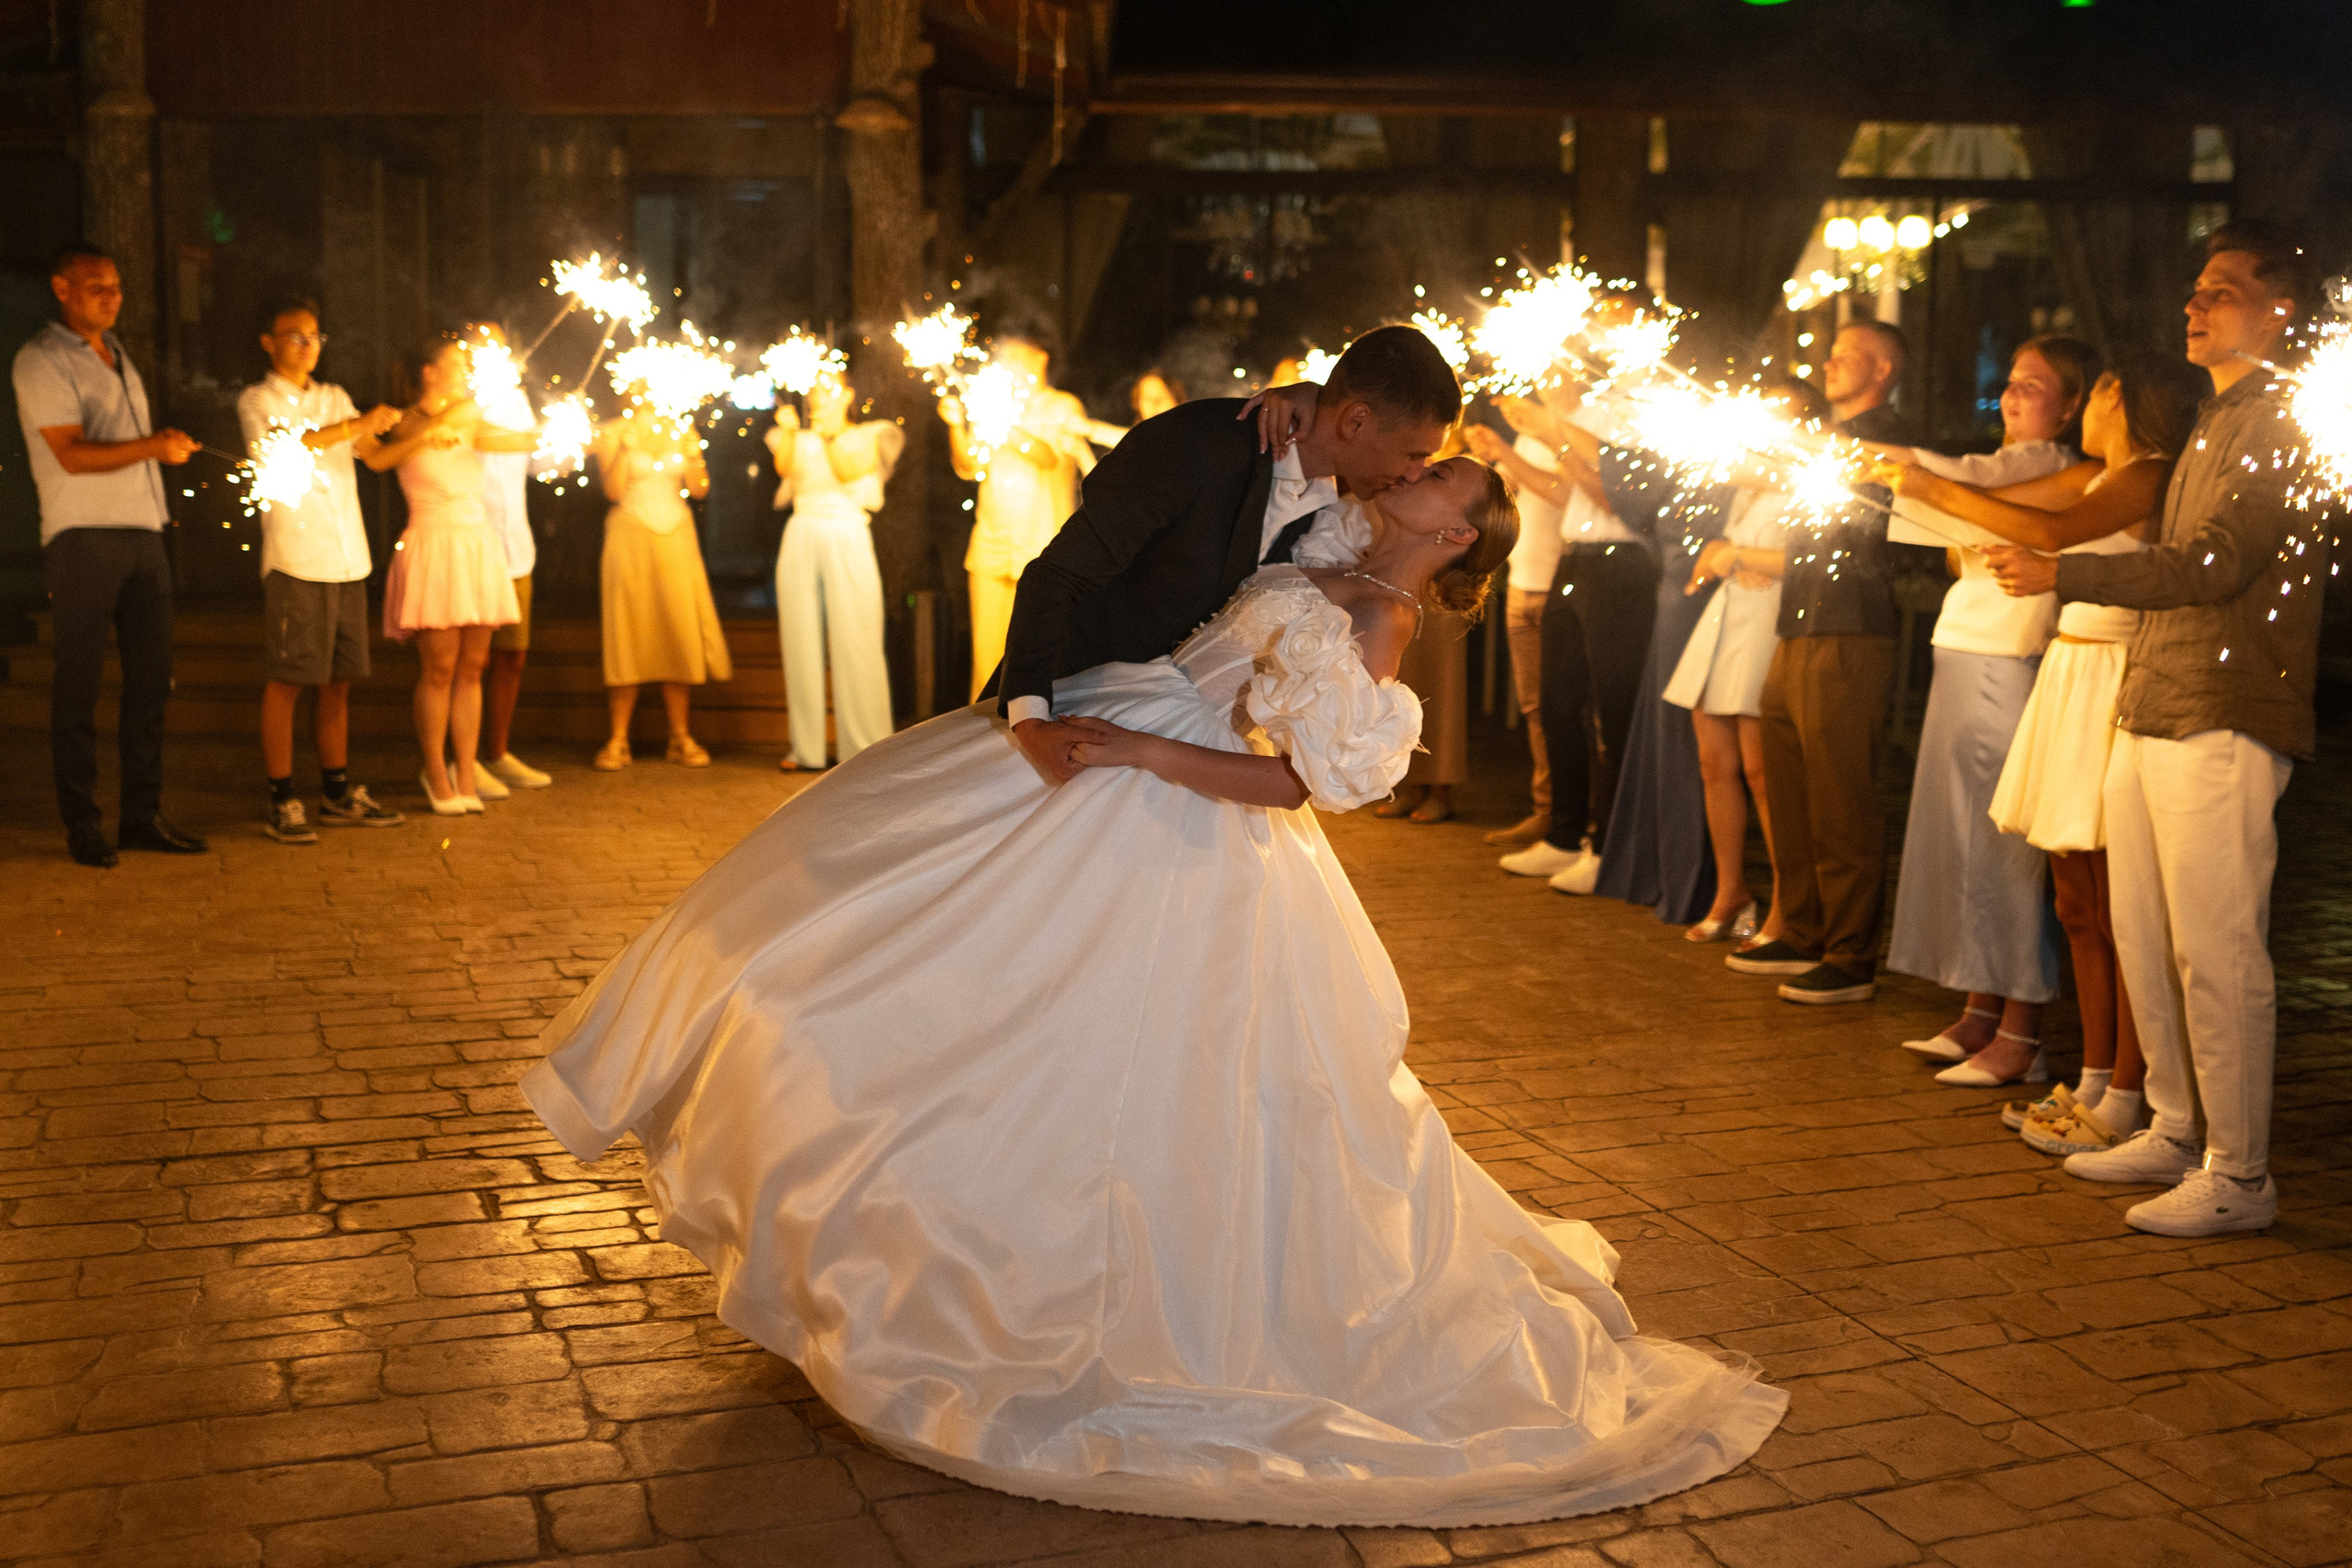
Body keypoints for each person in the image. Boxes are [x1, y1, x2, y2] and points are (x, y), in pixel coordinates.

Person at [521, 454, 1788, 1526]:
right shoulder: (1330, 538)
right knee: (887, 947)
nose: (1410, 472)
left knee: (1121, 1067)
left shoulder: (1382, 622)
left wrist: (1139, 746)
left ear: (1452, 534)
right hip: (1115, 731)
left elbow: (1300, 785)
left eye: (1437, 479)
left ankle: (1058, 1296)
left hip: (1172, 803)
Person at [1985, 221, 2327, 1238]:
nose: (2193, 304)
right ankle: (2175, 1126)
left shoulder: (2282, 423)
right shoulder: (2217, 419)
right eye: (2194, 288)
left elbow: (2215, 565)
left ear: (2279, 312)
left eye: (2220, 290)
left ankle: (2241, 1171)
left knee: (2216, 948)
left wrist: (2067, 572)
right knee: (2146, 930)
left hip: (2223, 709)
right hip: (2153, 700)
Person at [1885, 352, 2205, 1156]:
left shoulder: (2146, 473)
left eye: (2104, 388)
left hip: (2108, 672)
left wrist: (1931, 489)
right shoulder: (2105, 475)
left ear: (2133, 403)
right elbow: (2021, 525)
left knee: (2119, 900)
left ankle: (2131, 1088)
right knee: (2076, 901)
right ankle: (2098, 1074)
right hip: (2069, 665)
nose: (2095, 400)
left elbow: (2051, 533)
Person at [991, 323, 1460, 784]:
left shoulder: (1344, 510)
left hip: (1174, 759)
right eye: (1413, 455)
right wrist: (1031, 720)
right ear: (1355, 421)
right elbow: (1057, 576)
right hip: (1070, 714)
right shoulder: (1195, 445)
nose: (1416, 474)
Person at [1881, 336, 2098, 1080]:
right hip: (1960, 653)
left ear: (2070, 406)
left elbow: (1957, 488)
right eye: (2009, 381)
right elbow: (1957, 532)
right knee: (1961, 836)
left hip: (2009, 662)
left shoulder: (2060, 471)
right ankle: (1980, 1007)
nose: (2011, 395)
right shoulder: (2006, 472)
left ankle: (2022, 1031)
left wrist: (1901, 468)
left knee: (2004, 846)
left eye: (2034, 386)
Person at [1724, 320, 1916, 1004]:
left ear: (1884, 369)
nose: (1829, 364)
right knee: (1791, 780)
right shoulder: (1822, 444)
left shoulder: (1886, 443)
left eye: (1848, 356)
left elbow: (1867, 530)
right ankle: (1801, 924)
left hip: (1849, 626)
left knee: (1840, 792)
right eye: (1830, 354)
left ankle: (1850, 950)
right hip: (1799, 621)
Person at [14, 243, 204, 868]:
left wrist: (155, 470)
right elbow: (70, 453)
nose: (112, 295)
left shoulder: (117, 355)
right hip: (83, 536)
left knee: (150, 682)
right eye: (97, 285)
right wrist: (153, 446)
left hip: (143, 534)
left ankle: (141, 816)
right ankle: (82, 822)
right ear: (61, 288)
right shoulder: (42, 360)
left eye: (116, 285)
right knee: (80, 686)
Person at [1666, 378, 1833, 945]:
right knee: (1715, 762)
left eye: (1778, 415)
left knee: (1766, 772)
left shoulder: (1811, 478)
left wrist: (1734, 554)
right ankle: (1731, 888)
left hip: (1768, 621)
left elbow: (1806, 559)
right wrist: (1724, 557)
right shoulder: (1752, 478)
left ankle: (1789, 904)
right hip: (1728, 615)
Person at [1495, 336, 1663, 896]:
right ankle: (1564, 834)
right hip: (1574, 559)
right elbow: (1566, 492)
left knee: (1611, 710)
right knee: (1558, 701)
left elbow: (1617, 498)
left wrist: (1554, 432)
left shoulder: (1650, 412)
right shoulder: (1589, 412)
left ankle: (1608, 843)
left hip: (1623, 566)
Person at [236, 297, 405, 842]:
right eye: (296, 336)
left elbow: (373, 455)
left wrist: (424, 431)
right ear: (269, 341)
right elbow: (282, 450)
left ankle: (336, 792)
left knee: (338, 682)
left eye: (315, 337)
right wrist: (354, 424)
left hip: (347, 557)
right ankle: (282, 797)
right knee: (288, 680)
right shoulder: (258, 399)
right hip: (296, 558)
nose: (309, 346)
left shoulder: (333, 396)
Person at [365, 333, 528, 815]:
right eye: (457, 364)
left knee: (472, 667)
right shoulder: (399, 422)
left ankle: (465, 770)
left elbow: (518, 440)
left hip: (476, 543)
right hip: (433, 544)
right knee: (439, 668)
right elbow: (374, 458)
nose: (466, 372)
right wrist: (422, 436)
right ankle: (435, 772)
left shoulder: (472, 415)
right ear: (429, 372)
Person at [948, 321, 1102, 701]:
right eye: (1004, 356)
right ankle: (978, 738)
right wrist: (955, 424)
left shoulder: (1061, 406)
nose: (1008, 363)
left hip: (1039, 542)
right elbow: (968, 465)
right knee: (986, 653)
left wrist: (1005, 421)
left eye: (1015, 356)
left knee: (1028, 652)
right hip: (990, 538)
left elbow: (1048, 456)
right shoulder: (992, 405)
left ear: (1040, 358)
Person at [764, 370, 904, 773]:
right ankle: (804, 748)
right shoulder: (800, 437)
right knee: (800, 638)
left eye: (825, 392)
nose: (817, 401)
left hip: (847, 531)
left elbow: (847, 470)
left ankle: (863, 748)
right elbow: (784, 469)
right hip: (802, 530)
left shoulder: (869, 435)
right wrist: (791, 433)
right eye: (813, 394)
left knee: (857, 637)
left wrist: (826, 436)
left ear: (846, 395)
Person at [592, 395, 733, 770]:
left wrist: (696, 458)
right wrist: (623, 451)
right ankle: (618, 738)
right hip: (629, 535)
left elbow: (699, 489)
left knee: (677, 626)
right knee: (627, 630)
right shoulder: (613, 431)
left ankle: (679, 735)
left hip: (676, 535)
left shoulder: (681, 428)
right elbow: (612, 492)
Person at [1464, 397, 1566, 848]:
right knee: (1533, 708)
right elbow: (1516, 491)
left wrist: (1507, 454)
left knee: (1566, 711)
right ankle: (1546, 810)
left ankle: (1576, 818)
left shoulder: (1571, 434)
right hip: (1522, 583)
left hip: (1557, 585)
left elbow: (1562, 492)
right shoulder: (1528, 436)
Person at [469, 322, 556, 798]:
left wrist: (561, 448)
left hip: (517, 548)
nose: (493, 350)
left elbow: (536, 462)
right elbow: (491, 441)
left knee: (512, 656)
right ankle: (461, 759)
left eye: (499, 342)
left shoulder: (517, 400)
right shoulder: (462, 403)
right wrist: (536, 438)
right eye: (482, 343)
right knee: (471, 662)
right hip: (474, 548)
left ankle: (497, 753)